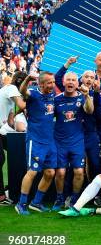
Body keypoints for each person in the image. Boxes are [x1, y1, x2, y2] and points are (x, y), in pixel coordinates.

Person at [52, 72, 94, 210]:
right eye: (68, 80)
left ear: (77, 84)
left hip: (77, 141)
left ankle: (74, 198)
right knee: (61, 173)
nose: (70, 82)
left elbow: (89, 110)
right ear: (63, 83)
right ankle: (59, 198)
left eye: (73, 80)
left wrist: (87, 95)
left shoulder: (83, 98)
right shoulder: (56, 99)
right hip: (59, 141)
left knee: (79, 172)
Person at [15, 72, 56, 215]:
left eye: (53, 82)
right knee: (32, 172)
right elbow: (22, 91)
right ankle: (21, 204)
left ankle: (36, 202)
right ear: (41, 84)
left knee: (50, 173)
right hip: (36, 140)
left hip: (50, 141)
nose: (52, 85)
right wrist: (27, 79)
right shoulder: (33, 93)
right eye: (49, 83)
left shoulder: (52, 95)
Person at [0, 71, 27, 204]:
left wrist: (25, 129)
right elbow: (22, 105)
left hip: (1, 131)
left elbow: (11, 122)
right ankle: (1, 196)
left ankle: (11, 188)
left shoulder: (9, 93)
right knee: (0, 159)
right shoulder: (12, 88)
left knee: (16, 152)